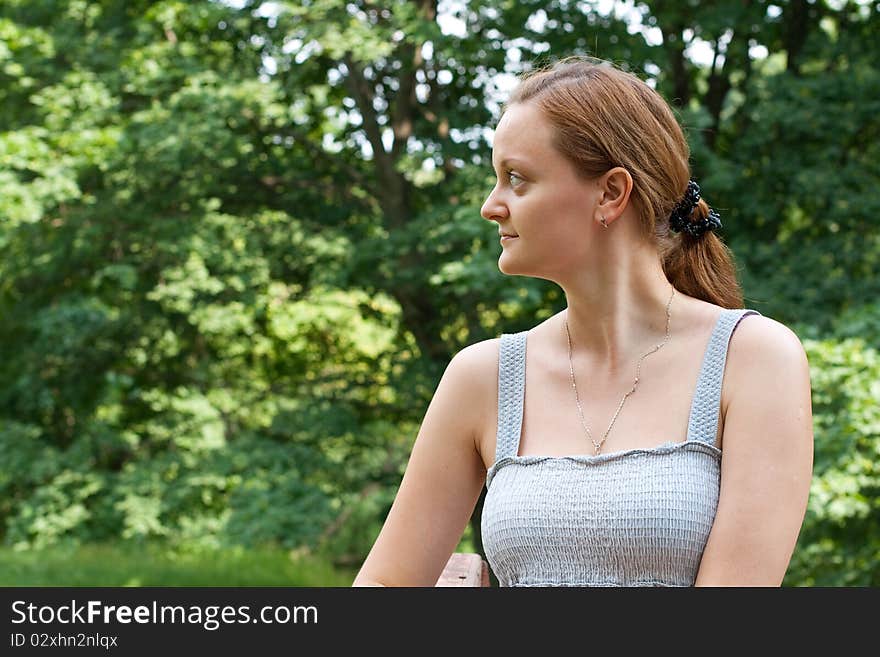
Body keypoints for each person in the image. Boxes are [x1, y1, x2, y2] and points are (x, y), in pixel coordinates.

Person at [352, 55, 814, 587]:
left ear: (611, 193)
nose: (491, 206)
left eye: (517, 179)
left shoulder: (754, 360)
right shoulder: (481, 378)